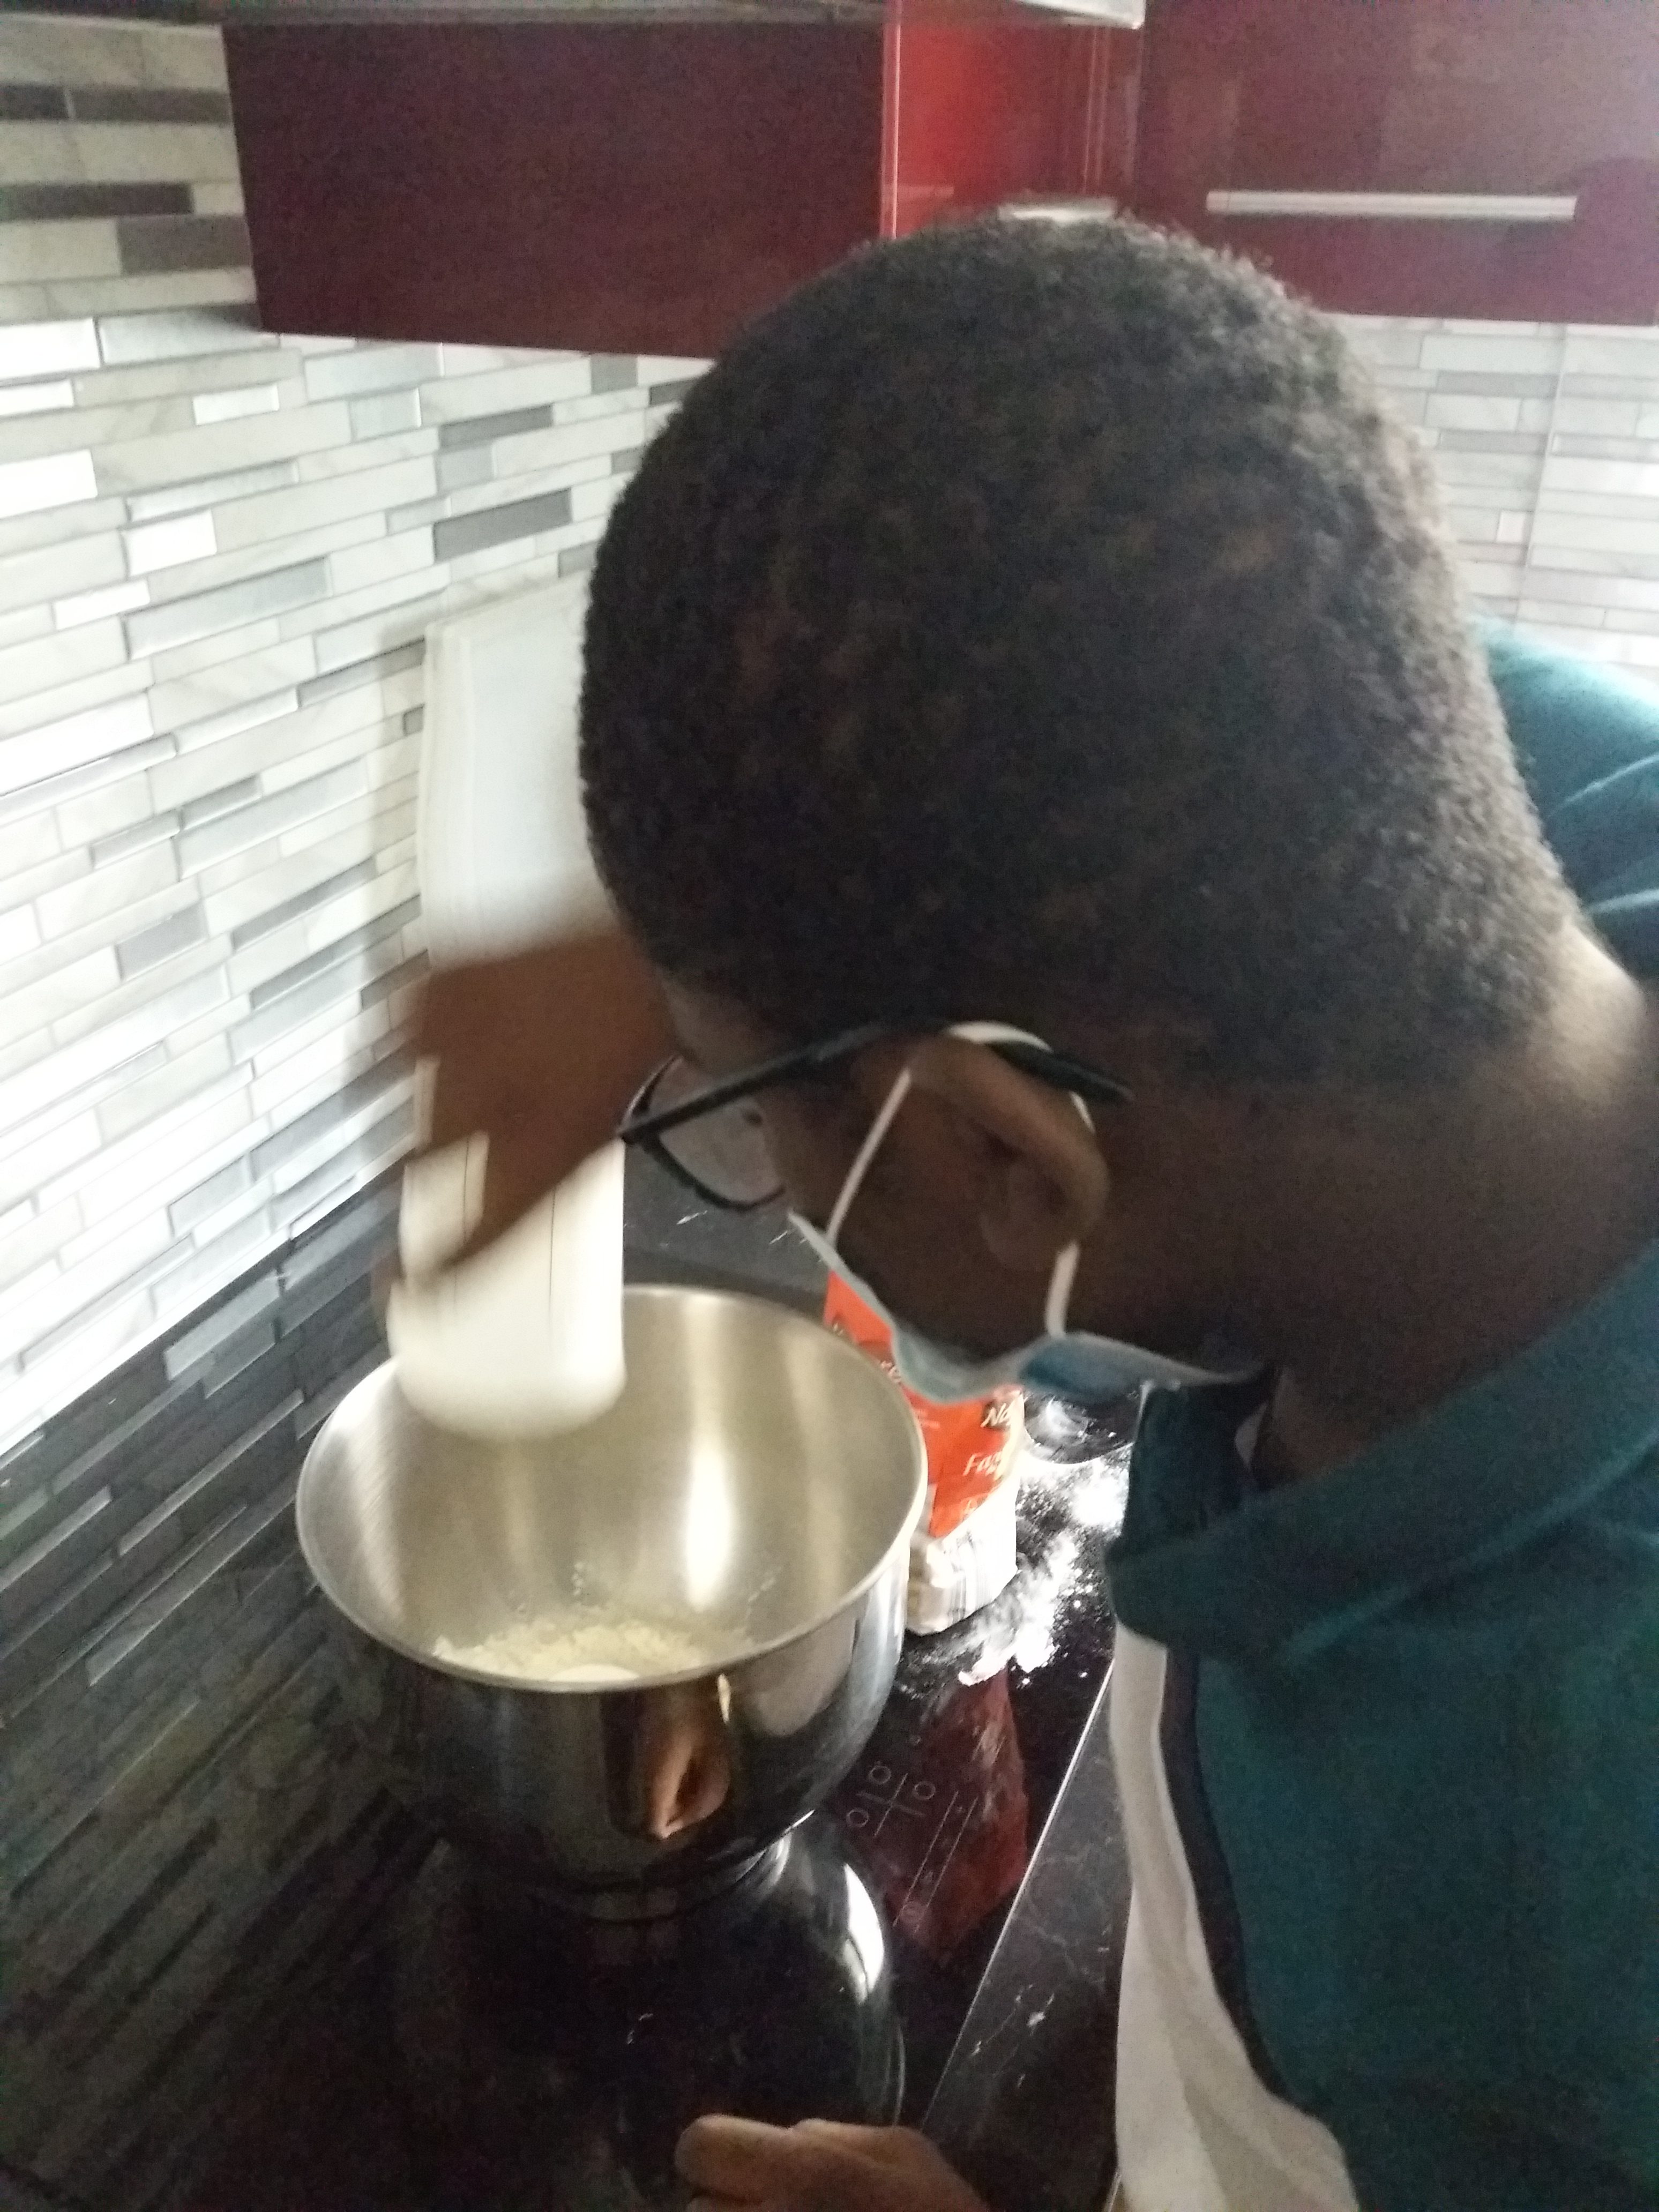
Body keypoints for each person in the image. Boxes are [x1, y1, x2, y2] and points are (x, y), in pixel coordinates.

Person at [414, 216, 1659, 2210]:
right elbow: (1104, 619)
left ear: (1008, 1158)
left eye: (742, 1121)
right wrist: (651, 956)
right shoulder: (1552, 825)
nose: (764, 1183)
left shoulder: (1525, 1938)